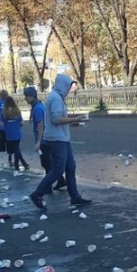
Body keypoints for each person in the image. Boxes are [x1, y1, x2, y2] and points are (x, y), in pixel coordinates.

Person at [29, 74, 91, 211]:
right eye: (68, 87)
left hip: (61, 137)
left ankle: (75, 197)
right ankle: (37, 194)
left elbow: (59, 119)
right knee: (57, 170)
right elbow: (56, 119)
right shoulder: (56, 98)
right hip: (57, 139)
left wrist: (74, 121)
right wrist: (74, 120)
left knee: (70, 167)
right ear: (63, 85)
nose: (69, 90)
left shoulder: (56, 97)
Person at [24, 86, 67, 191]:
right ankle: (60, 180)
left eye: (26, 96)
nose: (25, 99)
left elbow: (40, 125)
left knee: (46, 163)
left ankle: (48, 186)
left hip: (43, 140)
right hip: (45, 139)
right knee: (49, 162)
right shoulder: (39, 106)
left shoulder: (37, 108)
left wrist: (38, 141)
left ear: (31, 96)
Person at [3, 96, 29, 171]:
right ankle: (20, 164)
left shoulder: (4, 112)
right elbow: (22, 123)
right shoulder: (17, 111)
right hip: (17, 133)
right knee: (16, 148)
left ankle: (19, 164)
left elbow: (1, 124)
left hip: (9, 134)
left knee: (15, 149)